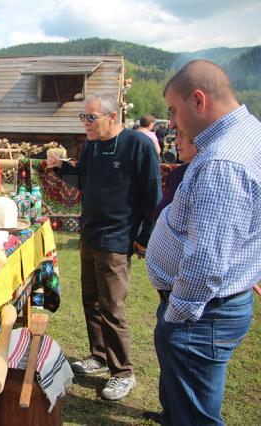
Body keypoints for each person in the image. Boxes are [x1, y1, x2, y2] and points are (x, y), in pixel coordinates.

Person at [146, 60, 261, 425]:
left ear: (198, 101)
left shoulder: (222, 161)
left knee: (194, 417)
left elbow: (207, 261)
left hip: (200, 314)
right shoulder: (246, 135)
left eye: (174, 112)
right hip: (212, 309)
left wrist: (176, 317)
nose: (174, 124)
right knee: (185, 406)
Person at [46, 93, 161, 401]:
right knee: (91, 300)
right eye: (82, 117)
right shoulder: (93, 146)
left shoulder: (139, 145)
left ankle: (123, 372)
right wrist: (60, 169)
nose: (85, 123)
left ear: (112, 117)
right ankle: (99, 356)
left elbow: (153, 196)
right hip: (90, 234)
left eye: (90, 117)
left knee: (112, 307)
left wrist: (143, 237)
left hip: (117, 239)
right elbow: (83, 178)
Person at [152, 130, 197, 220]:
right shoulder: (179, 173)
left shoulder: (181, 174)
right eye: (177, 135)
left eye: (182, 134)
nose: (176, 141)